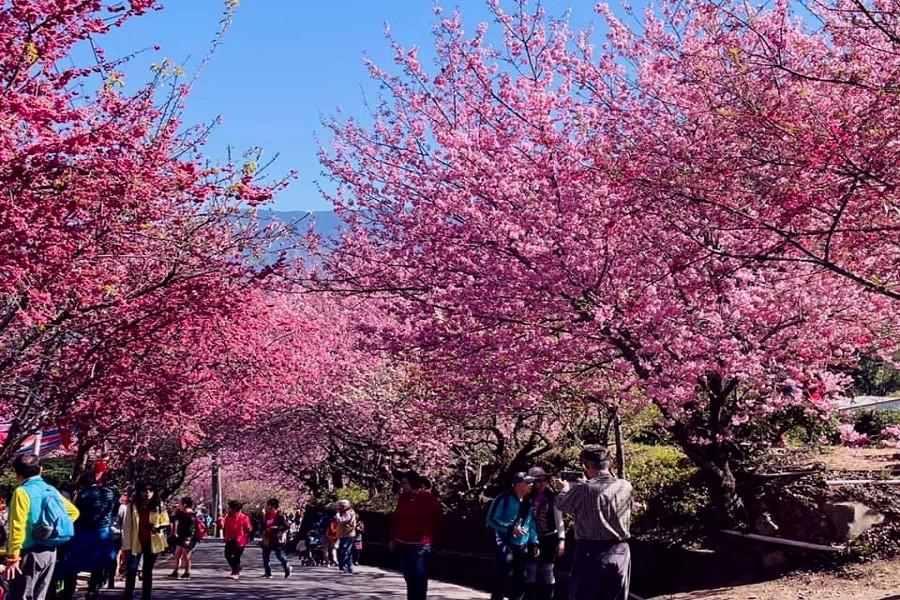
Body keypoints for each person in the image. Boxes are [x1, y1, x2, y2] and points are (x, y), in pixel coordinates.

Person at [555, 446, 633, 600]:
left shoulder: (584, 489)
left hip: (591, 552)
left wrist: (565, 490)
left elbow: (561, 505)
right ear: (609, 463)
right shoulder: (625, 485)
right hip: (621, 551)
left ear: (586, 465)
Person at [4, 454, 79, 600]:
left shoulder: (21, 492)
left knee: (21, 595)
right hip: (50, 552)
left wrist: (13, 558)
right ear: (41, 470)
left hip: (29, 554)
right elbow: (73, 512)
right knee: (40, 596)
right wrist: (51, 530)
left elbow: (17, 526)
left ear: (17, 474)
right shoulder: (50, 489)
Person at [61, 472, 117, 600]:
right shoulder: (110, 493)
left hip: (84, 532)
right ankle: (93, 590)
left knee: (73, 563)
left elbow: (77, 512)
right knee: (99, 564)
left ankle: (68, 590)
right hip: (103, 532)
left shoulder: (82, 494)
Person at [389, 470, 443, 600]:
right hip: (402, 542)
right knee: (408, 575)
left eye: (405, 483)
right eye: (401, 483)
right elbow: (397, 519)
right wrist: (392, 539)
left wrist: (429, 535)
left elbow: (437, 518)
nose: (402, 486)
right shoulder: (403, 498)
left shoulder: (427, 498)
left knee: (419, 575)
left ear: (413, 483)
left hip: (420, 544)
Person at [486, 472, 538, 600]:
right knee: (503, 576)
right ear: (518, 484)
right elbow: (491, 519)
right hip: (505, 541)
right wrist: (509, 528)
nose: (531, 485)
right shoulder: (503, 498)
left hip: (522, 544)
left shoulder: (528, 502)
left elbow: (530, 524)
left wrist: (534, 542)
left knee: (521, 578)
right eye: (528, 482)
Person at [122, 481, 170, 600]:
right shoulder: (132, 505)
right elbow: (127, 526)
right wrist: (126, 546)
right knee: (131, 570)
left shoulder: (159, 505)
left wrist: (157, 527)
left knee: (147, 571)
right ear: (140, 492)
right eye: (144, 490)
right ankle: (128, 595)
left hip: (152, 542)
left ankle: (146, 596)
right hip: (135, 541)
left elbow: (166, 521)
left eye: (150, 491)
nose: (147, 493)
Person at [524, 467, 566, 600]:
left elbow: (559, 519)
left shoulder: (552, 497)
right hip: (529, 537)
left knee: (548, 569)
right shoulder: (526, 497)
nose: (541, 483)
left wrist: (561, 540)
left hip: (549, 537)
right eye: (538, 480)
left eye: (544, 480)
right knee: (531, 569)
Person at [260, 498, 291, 579]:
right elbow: (264, 525)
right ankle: (268, 573)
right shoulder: (267, 515)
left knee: (279, 556)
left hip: (276, 539)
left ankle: (287, 566)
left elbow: (286, 526)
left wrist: (276, 528)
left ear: (273, 506)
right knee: (265, 556)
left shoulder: (280, 516)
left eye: (269, 505)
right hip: (267, 538)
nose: (267, 507)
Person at [167, 496, 197, 580]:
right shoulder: (181, 513)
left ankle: (187, 573)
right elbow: (173, 519)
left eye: (180, 503)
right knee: (177, 555)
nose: (178, 505)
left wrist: (188, 538)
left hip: (188, 538)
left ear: (184, 504)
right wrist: (175, 512)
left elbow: (192, 528)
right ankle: (175, 571)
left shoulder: (191, 515)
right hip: (180, 537)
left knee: (186, 556)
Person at [222, 500, 252, 580]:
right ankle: (236, 568)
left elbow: (248, 528)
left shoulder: (244, 517)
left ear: (234, 509)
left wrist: (243, 534)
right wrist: (225, 537)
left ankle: (235, 573)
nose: (228, 509)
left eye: (230, 507)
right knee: (227, 555)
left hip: (240, 541)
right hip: (230, 539)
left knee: (236, 557)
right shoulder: (228, 517)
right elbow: (225, 527)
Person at [334, 500, 357, 574]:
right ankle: (349, 567)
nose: (340, 507)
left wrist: (337, 514)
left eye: (341, 506)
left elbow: (341, 521)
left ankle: (345, 567)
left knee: (345, 550)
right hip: (344, 534)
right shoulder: (345, 512)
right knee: (347, 550)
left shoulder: (349, 512)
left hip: (348, 534)